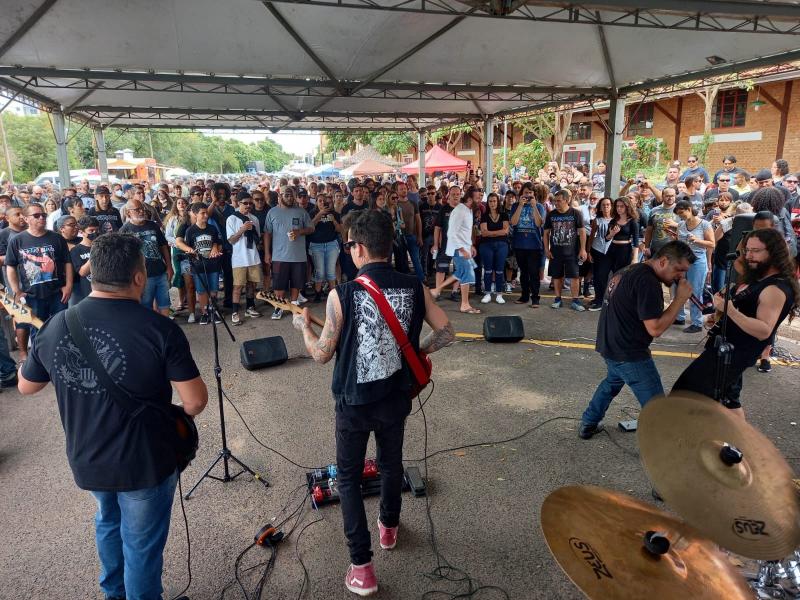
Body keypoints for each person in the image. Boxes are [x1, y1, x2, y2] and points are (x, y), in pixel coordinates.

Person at [18, 232, 208, 600]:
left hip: (88, 458)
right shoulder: (160, 329)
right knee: (141, 547)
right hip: (144, 461)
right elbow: (195, 403)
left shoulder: (58, 325)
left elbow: (27, 386)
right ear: (139, 278)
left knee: (107, 522)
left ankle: (113, 594)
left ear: (92, 275)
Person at [291, 209, 454, 597]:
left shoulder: (341, 294)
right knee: (390, 463)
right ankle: (389, 529)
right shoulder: (415, 285)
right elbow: (446, 332)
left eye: (349, 245)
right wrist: (416, 350)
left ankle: (362, 568)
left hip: (354, 401)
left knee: (348, 478)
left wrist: (303, 330)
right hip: (396, 396)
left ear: (359, 248)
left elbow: (321, 354)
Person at [672, 228, 798, 418]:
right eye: (747, 250)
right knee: (729, 400)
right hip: (725, 348)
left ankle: (692, 441)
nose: (748, 256)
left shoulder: (775, 288)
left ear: (774, 252)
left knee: (685, 394)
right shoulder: (758, 277)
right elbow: (745, 310)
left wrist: (729, 309)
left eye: (755, 251)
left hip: (732, 356)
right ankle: (734, 444)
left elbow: (764, 330)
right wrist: (720, 317)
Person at [579, 241, 696, 439]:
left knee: (611, 383)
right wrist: (680, 300)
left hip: (610, 345)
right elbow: (655, 328)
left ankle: (589, 422)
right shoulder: (647, 281)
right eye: (679, 270)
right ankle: (663, 451)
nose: (681, 277)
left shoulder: (630, 270)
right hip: (629, 353)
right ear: (663, 261)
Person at [5, 203, 73, 363]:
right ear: (27, 218)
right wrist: (17, 290)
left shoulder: (56, 238)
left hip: (57, 292)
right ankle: (40, 362)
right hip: (32, 295)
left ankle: (63, 359)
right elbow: (11, 266)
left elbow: (67, 262)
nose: (41, 217)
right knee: (36, 331)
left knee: (61, 327)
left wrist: (68, 285)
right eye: (36, 215)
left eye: (43, 215)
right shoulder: (17, 240)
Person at [430, 188, 481, 314]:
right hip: (458, 248)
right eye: (477, 198)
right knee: (466, 274)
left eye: (480, 197)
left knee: (463, 273)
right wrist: (462, 249)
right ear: (470, 199)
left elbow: (465, 232)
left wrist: (470, 246)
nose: (480, 200)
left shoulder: (468, 210)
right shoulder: (460, 211)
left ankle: (437, 290)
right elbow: (451, 232)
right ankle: (464, 304)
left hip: (464, 247)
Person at [264, 187, 313, 319]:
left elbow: (311, 228)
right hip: (279, 255)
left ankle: (293, 305)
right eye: (287, 195)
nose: (290, 198)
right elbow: (267, 233)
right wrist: (267, 253)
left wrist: (300, 232)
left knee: (297, 283)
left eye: (292, 195)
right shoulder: (272, 212)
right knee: (279, 283)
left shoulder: (301, 211)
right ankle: (278, 307)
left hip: (298, 256)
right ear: (280, 196)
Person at [119, 199, 173, 317]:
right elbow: (123, 256)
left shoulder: (153, 225)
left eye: (142, 208)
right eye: (137, 209)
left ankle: (165, 327)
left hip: (160, 271)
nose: (141, 211)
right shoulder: (124, 230)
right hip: (142, 276)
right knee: (146, 305)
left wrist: (169, 266)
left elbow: (163, 246)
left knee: (165, 303)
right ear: (128, 213)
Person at [177, 203, 223, 326]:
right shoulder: (190, 230)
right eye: (202, 213)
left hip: (213, 264)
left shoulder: (212, 229)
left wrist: (216, 248)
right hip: (198, 266)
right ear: (195, 214)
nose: (205, 215)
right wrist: (192, 252)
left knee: (213, 289)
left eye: (206, 212)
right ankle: (204, 313)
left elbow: (218, 243)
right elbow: (188, 247)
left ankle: (213, 311)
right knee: (202, 291)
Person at [543, 189, 587, 312]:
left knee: (574, 276)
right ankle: (557, 299)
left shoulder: (575, 213)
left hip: (572, 252)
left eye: (559, 201)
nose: (556, 203)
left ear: (566, 200)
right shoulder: (551, 215)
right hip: (556, 252)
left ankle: (575, 300)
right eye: (555, 201)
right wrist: (547, 249)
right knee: (557, 276)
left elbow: (582, 232)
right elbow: (545, 233)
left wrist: (583, 249)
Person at [226, 194, 262, 325]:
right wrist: (242, 230)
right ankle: (235, 312)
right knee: (238, 286)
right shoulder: (232, 219)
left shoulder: (254, 219)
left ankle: (250, 307)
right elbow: (231, 240)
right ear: (238, 203)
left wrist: (253, 233)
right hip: (239, 258)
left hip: (253, 256)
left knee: (252, 284)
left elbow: (258, 238)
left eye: (250, 204)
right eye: (245, 203)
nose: (248, 206)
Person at [509, 184, 546, 307]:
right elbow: (513, 223)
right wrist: (520, 205)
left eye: (530, 193)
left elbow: (539, 223)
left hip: (534, 245)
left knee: (534, 273)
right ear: (521, 194)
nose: (528, 195)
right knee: (523, 273)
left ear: (534, 194)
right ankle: (524, 296)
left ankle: (535, 298)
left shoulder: (539, 206)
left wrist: (534, 206)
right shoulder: (515, 206)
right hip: (520, 244)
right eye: (526, 192)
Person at [307, 194, 341, 303]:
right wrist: (319, 214)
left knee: (331, 271)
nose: (322, 203)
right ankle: (318, 292)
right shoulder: (312, 213)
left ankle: (333, 294)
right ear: (316, 202)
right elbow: (309, 227)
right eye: (320, 201)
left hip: (331, 244)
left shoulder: (334, 213)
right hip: (316, 245)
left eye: (325, 201)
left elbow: (340, 229)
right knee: (320, 271)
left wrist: (334, 221)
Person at [478, 192, 509, 304]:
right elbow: (483, 233)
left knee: (500, 270)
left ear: (498, 202)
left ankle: (499, 294)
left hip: (502, 245)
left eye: (494, 201)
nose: (492, 203)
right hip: (486, 245)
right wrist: (498, 233)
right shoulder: (484, 215)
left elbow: (506, 231)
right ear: (488, 203)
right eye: (490, 201)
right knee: (488, 270)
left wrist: (490, 233)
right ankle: (487, 293)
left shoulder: (504, 215)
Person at [587, 197, 613, 311]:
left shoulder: (616, 220)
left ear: (611, 206)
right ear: (600, 207)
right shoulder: (597, 220)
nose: (606, 207)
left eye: (608, 204)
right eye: (603, 205)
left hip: (610, 251)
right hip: (597, 249)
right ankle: (598, 298)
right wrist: (588, 251)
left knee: (603, 276)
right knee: (597, 276)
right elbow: (592, 236)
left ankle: (602, 300)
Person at [69, 216, 99, 306]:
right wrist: (95, 250)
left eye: (97, 230)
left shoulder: (104, 246)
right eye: (91, 231)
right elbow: (82, 272)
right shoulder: (76, 250)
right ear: (81, 232)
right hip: (88, 291)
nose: (95, 233)